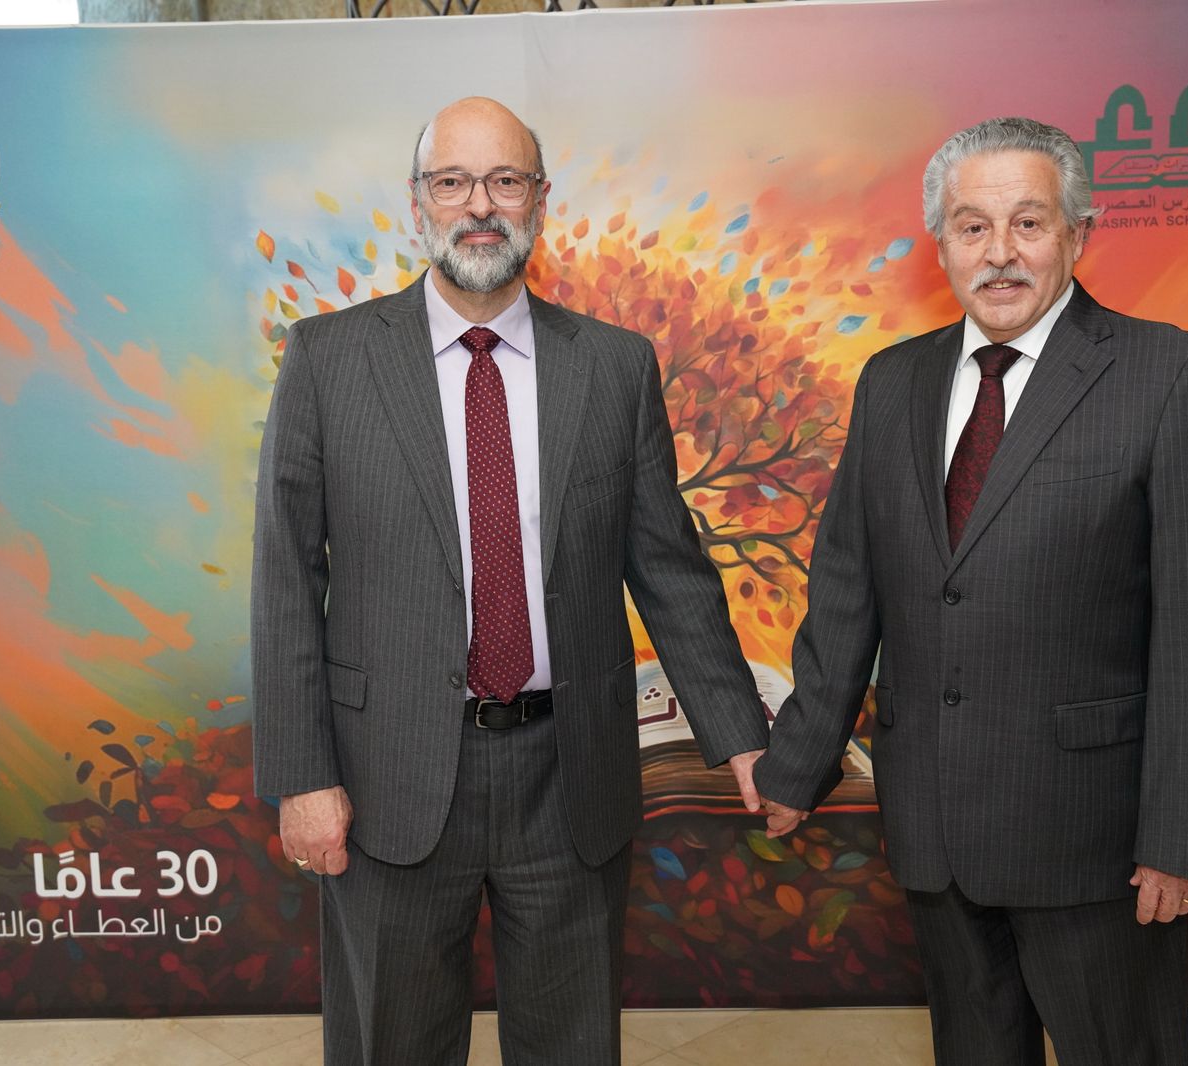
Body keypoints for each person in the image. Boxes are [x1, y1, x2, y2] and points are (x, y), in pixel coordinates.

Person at [251, 97, 770, 1066]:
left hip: (569, 776)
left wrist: (743, 737)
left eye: (504, 181)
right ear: (418, 200)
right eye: (453, 182)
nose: (479, 205)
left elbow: (669, 569)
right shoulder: (328, 359)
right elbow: (284, 578)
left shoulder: (614, 366)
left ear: (540, 198)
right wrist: (302, 776)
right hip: (386, 775)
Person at [752, 116, 1188, 1066]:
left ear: (1078, 233)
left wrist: (1182, 838)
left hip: (1096, 840)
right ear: (940, 243)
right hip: (934, 828)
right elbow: (849, 591)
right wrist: (795, 767)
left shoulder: (1171, 374)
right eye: (972, 227)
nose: (1000, 253)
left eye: (1029, 223)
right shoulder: (891, 382)